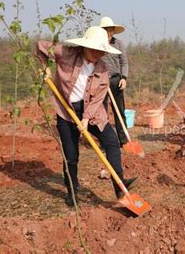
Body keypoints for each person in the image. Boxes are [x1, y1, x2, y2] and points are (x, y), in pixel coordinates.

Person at [36, 26, 137, 207]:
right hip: (66, 111)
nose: (98, 54)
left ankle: (119, 187)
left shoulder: (103, 68)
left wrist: (85, 119)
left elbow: (98, 97)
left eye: (102, 50)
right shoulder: (65, 53)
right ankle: (72, 191)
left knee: (112, 142)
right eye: (95, 49)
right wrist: (45, 69)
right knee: (71, 155)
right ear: (85, 46)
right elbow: (40, 46)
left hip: (93, 111)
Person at [100, 16, 129, 147]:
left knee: (119, 111)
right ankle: (105, 141)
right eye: (106, 30)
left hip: (116, 80)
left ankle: (124, 140)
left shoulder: (119, 44)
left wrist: (124, 78)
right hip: (100, 81)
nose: (108, 33)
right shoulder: (97, 44)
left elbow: (124, 62)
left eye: (110, 30)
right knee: (102, 112)